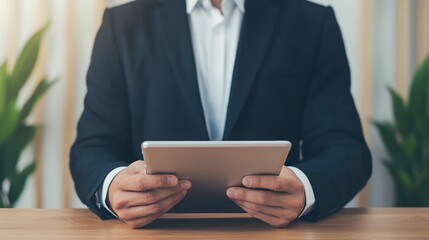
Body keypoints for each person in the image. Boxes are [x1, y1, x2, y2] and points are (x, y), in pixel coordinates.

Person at [70, 0, 372, 229]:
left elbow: (345, 149)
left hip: (272, 233)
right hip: (157, 231)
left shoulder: (310, 23)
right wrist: (112, 186)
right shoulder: (122, 25)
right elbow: (92, 148)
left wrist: (306, 189)